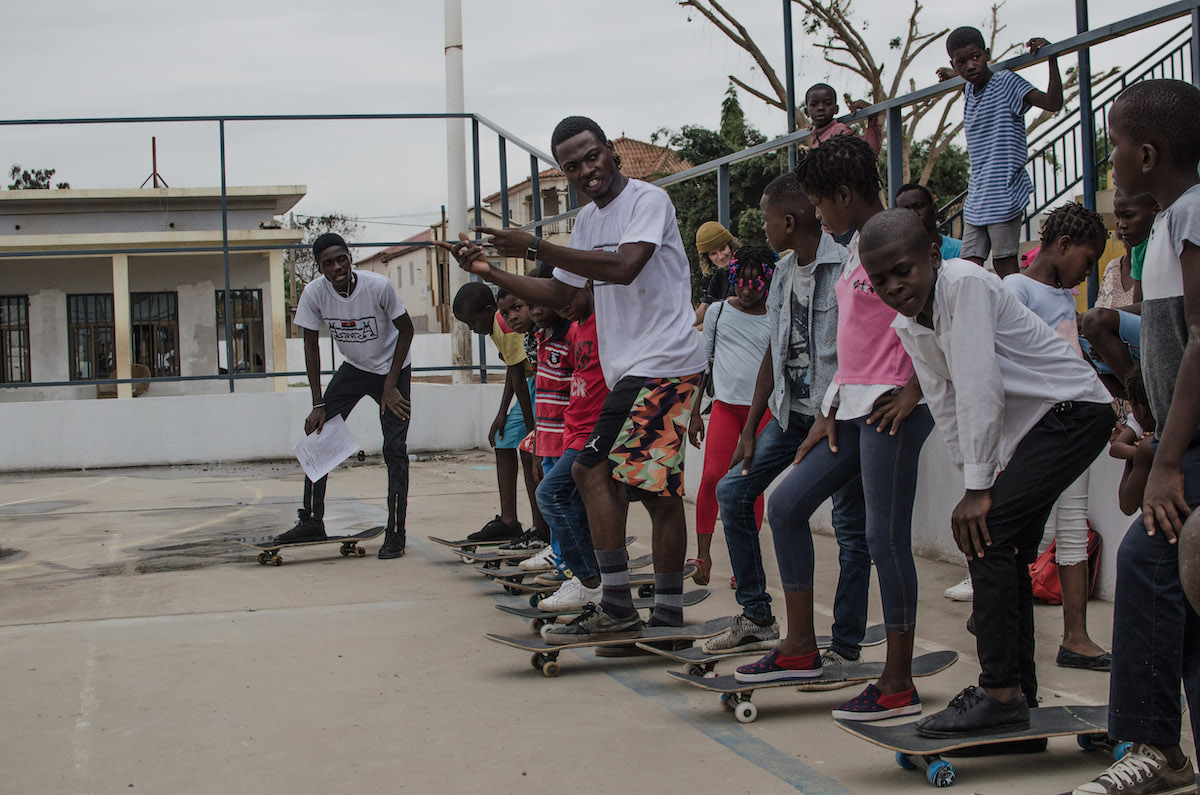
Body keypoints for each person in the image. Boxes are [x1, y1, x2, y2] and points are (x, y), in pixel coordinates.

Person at [441, 116, 707, 642]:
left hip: (665, 360)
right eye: (572, 166)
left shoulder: (647, 202)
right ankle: (665, 616)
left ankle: (615, 603)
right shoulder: (586, 223)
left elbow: (626, 266)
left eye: (591, 156)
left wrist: (534, 247)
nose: (586, 171)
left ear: (611, 151)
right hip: (631, 367)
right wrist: (492, 272)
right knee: (652, 491)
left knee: (591, 471)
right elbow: (566, 299)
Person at [858, 209, 1115, 740]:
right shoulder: (910, 323)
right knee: (1002, 542)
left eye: (902, 271)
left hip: (1073, 411)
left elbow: (980, 385)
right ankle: (1018, 693)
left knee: (989, 535)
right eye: (880, 280)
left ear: (934, 255)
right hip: (1037, 427)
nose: (893, 287)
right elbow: (947, 404)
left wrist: (980, 491)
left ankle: (1000, 693)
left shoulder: (966, 284)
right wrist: (974, 484)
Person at [735, 138, 934, 725]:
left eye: (821, 203)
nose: (818, 214)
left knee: (883, 537)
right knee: (788, 505)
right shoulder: (852, 252)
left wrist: (917, 390)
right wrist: (827, 408)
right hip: (848, 406)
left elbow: (936, 311)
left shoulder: (895, 238)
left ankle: (897, 681)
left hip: (892, 409)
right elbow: (853, 346)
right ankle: (799, 647)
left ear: (844, 196)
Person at [1073, 79, 1200, 795]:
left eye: (1116, 146)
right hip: (1182, 437)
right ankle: (1166, 748)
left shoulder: (1192, 216)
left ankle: (1156, 745)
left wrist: (1168, 460)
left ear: (1147, 154)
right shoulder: (1169, 225)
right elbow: (1167, 353)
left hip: (1194, 447)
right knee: (1181, 581)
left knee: (1151, 562)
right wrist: (1148, 430)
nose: (1111, 159)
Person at [703, 171, 870, 664]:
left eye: (768, 219)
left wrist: (832, 411)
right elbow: (774, 353)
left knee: (850, 527)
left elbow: (854, 353)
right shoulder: (780, 272)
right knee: (733, 491)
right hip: (786, 413)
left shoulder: (843, 270)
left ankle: (844, 645)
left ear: (790, 221)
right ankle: (756, 616)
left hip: (837, 417)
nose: (764, 228)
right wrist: (754, 429)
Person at [1003, 202, 1112, 671]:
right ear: (1063, 245)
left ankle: (1076, 637)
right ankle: (995, 607)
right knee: (1020, 529)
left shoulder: (1065, 299)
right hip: (1037, 429)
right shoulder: (1014, 289)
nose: (1087, 273)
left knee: (1071, 528)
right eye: (1087, 261)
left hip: (1073, 426)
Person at [276, 232, 414, 560]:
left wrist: (390, 385)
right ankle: (311, 520)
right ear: (320, 267)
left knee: (394, 449)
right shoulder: (315, 294)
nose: (337, 267)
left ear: (349, 257)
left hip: (393, 369)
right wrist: (318, 404)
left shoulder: (377, 286)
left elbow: (406, 330)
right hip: (354, 369)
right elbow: (311, 346)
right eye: (328, 263)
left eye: (341, 259)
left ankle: (396, 531)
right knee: (319, 432)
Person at [937, 28, 1063, 277]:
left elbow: (1052, 103)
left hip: (1003, 188)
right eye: (962, 63)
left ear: (986, 54)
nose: (971, 66)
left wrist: (1052, 57)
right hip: (978, 192)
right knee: (968, 265)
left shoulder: (1006, 82)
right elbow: (969, 77)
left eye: (976, 57)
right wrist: (954, 73)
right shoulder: (970, 91)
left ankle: (1014, 313)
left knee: (1004, 263)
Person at [687, 245, 775, 587]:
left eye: (756, 283)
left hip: (763, 411)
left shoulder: (776, 316)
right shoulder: (718, 313)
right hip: (724, 407)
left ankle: (744, 567)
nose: (747, 288)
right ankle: (703, 556)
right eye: (741, 280)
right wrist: (695, 413)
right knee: (711, 477)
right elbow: (702, 366)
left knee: (749, 486)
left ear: (767, 282)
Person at [532, 281, 611, 611]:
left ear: (587, 286)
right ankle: (587, 577)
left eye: (567, 301)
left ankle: (590, 580)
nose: (564, 308)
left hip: (596, 431)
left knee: (549, 494)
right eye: (557, 304)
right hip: (573, 431)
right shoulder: (575, 328)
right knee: (571, 502)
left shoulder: (606, 324)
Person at [450, 283, 546, 546]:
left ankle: (541, 528)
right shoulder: (496, 325)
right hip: (526, 383)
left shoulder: (505, 326)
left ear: (489, 310)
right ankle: (508, 521)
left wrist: (532, 432)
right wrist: (501, 413)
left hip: (540, 382)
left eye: (472, 322)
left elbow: (518, 376)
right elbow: (512, 369)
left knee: (530, 454)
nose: (471, 329)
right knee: (503, 440)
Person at [1080, 190, 1158, 399]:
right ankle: (1128, 409)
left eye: (1129, 216)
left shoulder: (1163, 239)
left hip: (1170, 329)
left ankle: (1143, 406)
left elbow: (1153, 308)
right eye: (1118, 218)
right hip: (1149, 334)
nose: (1121, 225)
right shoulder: (1140, 248)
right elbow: (1141, 308)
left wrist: (1106, 319)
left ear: (1155, 211)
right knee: (1074, 340)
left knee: (1094, 320)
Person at [1108, 367, 1156, 518]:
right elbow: (1116, 448)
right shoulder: (1139, 426)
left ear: (1141, 409)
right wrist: (1140, 452)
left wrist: (1147, 450)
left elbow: (1127, 506)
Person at [805, 83, 882, 155]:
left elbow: (868, 153)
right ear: (806, 112)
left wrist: (872, 117)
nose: (821, 108)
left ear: (836, 109)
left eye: (827, 103)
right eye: (814, 105)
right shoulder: (816, 135)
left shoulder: (839, 130)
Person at [894, 182, 963, 262]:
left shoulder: (961, 250)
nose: (913, 214)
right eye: (905, 211)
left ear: (934, 209)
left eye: (918, 206)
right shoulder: (897, 258)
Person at [694, 221, 739, 328]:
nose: (720, 256)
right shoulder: (719, 275)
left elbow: (727, 315)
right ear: (707, 258)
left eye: (722, 249)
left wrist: (691, 333)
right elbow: (705, 307)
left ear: (730, 245)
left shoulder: (742, 269)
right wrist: (682, 329)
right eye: (713, 253)